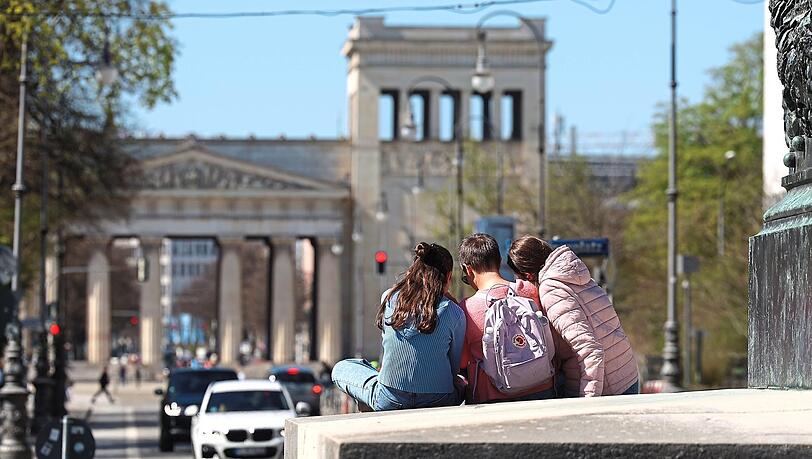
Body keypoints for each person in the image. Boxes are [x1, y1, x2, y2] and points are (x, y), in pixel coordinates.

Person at [332, 242, 466, 411]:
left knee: (341, 368)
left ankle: (374, 395)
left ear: (413, 272)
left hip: (390, 398)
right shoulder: (456, 313)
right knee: (462, 381)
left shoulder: (388, 298)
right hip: (440, 399)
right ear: (448, 277)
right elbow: (454, 370)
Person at [508, 235, 639, 397]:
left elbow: (590, 350)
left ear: (527, 275)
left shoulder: (552, 289)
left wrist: (586, 404)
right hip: (625, 373)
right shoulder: (574, 274)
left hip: (609, 387)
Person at [458, 233, 556, 404]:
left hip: (492, 399)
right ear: (499, 261)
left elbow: (463, 360)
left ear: (468, 270)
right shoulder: (528, 290)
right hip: (542, 389)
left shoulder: (466, 308)